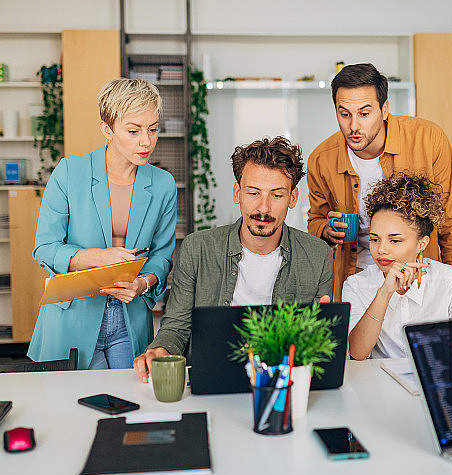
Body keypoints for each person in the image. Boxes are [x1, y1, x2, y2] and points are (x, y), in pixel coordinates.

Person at [133, 136, 333, 382]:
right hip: (212, 377)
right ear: (238, 193)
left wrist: (321, 332)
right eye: (253, 192)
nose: (263, 208)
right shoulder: (198, 248)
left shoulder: (318, 255)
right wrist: (160, 350)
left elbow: (319, 348)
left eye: (277, 195)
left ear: (293, 199)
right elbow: (177, 326)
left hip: (282, 383)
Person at [29, 78, 177, 370]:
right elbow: (44, 248)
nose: (146, 141)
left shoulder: (163, 184)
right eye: (133, 131)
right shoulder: (70, 172)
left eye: (153, 129)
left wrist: (143, 283)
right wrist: (100, 257)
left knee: (132, 405)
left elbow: (161, 255)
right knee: (75, 408)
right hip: (74, 315)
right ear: (107, 129)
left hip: (129, 316)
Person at [307, 62, 452, 300]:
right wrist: (325, 230)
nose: (353, 126)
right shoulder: (321, 159)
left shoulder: (428, 140)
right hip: (356, 281)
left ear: (384, 109)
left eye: (364, 113)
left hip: (419, 277)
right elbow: (315, 221)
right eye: (344, 114)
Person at [344, 171, 452, 360]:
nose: (381, 250)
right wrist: (384, 293)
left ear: (421, 244)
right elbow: (357, 353)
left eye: (395, 241)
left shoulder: (450, 279)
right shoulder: (356, 284)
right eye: (375, 239)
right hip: (380, 385)